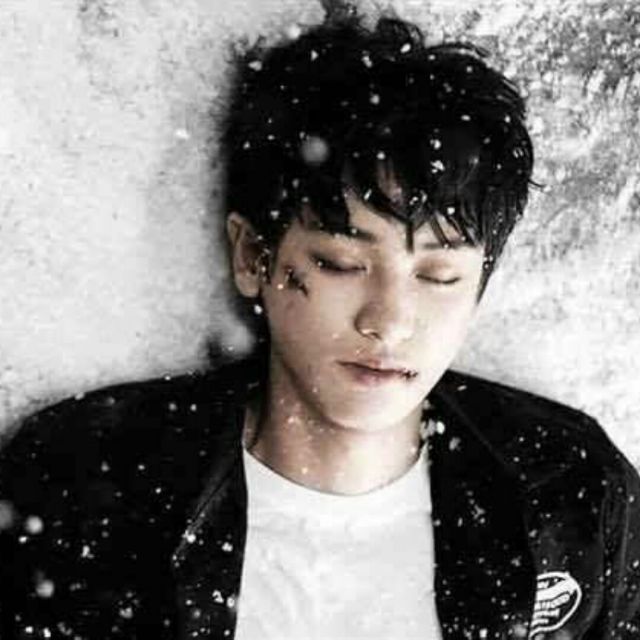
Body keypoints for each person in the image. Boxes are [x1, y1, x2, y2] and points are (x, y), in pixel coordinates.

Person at [1, 6, 639, 640]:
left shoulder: (572, 491)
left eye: (439, 276)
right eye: (341, 264)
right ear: (253, 256)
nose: (389, 322)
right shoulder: (84, 482)